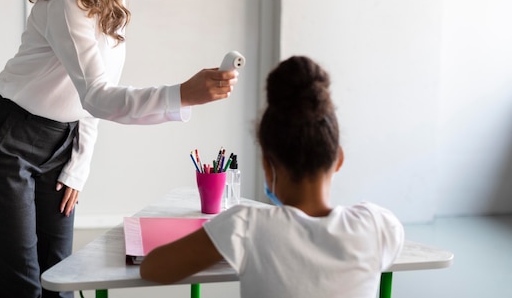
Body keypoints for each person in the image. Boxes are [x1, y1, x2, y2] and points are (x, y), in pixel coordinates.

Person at [0, 0, 238, 297]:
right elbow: (98, 95)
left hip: (61, 140)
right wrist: (182, 93)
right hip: (7, 139)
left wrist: (78, 164)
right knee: (19, 285)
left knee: (61, 277)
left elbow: (89, 99)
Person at [140, 56, 404, 298]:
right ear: (339, 159)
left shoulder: (245, 225)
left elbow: (152, 268)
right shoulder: (378, 226)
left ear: (267, 166)